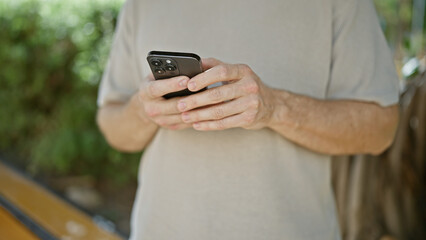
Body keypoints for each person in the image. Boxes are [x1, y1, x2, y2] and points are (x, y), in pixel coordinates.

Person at [96, 0, 400, 239]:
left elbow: (381, 128)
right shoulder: (141, 3)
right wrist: (143, 110)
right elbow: (112, 127)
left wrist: (276, 107)